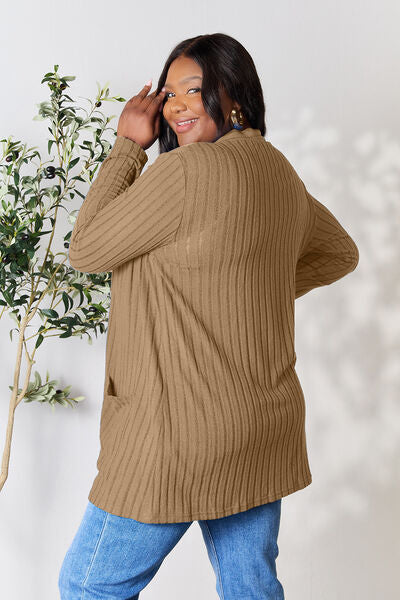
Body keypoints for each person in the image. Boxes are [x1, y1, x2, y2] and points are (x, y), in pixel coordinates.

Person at [58, 33, 359, 599]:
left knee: (87, 586)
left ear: (234, 95)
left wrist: (128, 146)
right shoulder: (276, 171)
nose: (175, 106)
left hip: (176, 433)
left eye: (193, 90)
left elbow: (87, 249)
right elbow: (340, 252)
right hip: (258, 428)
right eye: (169, 93)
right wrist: (248, 292)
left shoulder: (184, 173)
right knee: (249, 587)